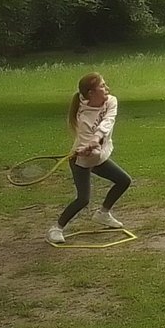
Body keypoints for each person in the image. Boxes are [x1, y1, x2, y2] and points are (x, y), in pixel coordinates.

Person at [48, 73, 133, 244]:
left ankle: (103, 214)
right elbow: (93, 154)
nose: (107, 88)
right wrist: (89, 150)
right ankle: (56, 229)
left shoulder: (111, 101)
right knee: (83, 199)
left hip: (99, 158)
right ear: (91, 93)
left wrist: (95, 139)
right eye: (102, 86)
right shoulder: (83, 118)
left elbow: (108, 121)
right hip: (81, 161)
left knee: (124, 180)